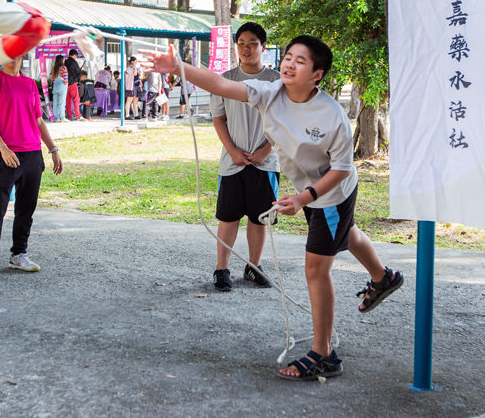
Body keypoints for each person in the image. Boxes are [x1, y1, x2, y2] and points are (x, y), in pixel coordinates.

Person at [140, 35, 404, 381]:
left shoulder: (332, 115)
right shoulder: (271, 92)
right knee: (347, 232)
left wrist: (305, 198)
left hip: (331, 193)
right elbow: (221, 84)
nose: (290, 64)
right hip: (308, 190)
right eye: (288, 57)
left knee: (316, 268)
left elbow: (342, 169)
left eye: (301, 61)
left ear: (317, 75)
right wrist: (179, 67)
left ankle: (325, 354)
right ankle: (384, 278)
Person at [0, 57, 64, 287]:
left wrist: (53, 149)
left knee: (26, 209)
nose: (14, 56)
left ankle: (18, 254)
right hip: (5, 155)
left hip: (32, 154)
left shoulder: (29, 83)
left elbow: (39, 120)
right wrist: (3, 147)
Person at [210, 22, 280, 293]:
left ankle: (254, 267)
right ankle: (221, 269)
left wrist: (266, 150)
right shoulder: (225, 79)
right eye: (241, 43)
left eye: (252, 43)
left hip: (265, 163)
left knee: (259, 218)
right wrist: (232, 150)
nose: (246, 49)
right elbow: (219, 118)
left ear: (263, 46)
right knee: (228, 218)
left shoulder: (276, 80)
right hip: (232, 163)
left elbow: (283, 121)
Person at [64, 48, 83, 121]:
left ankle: (70, 115)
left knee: (68, 100)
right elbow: (77, 72)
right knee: (76, 99)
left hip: (66, 83)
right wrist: (81, 71)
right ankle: (77, 115)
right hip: (72, 83)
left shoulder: (65, 61)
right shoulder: (74, 62)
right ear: (75, 55)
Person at [51, 55, 68, 122]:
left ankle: (56, 118)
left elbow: (53, 80)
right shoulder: (64, 68)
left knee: (55, 103)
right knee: (62, 103)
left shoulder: (53, 69)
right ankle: (62, 117)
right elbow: (65, 79)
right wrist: (66, 85)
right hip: (62, 86)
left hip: (55, 86)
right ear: (61, 60)